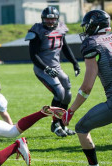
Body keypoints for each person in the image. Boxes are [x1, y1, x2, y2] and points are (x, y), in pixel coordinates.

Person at [62, 10, 112, 166]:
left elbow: (87, 87)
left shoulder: (92, 43)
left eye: (88, 26)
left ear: (95, 25)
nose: (86, 29)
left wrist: (70, 111)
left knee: (81, 127)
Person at [25, 6, 80, 137]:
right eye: (47, 19)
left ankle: (62, 124)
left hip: (56, 67)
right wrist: (46, 68)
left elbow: (65, 47)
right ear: (42, 19)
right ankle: (55, 124)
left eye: (53, 19)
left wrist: (75, 63)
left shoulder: (61, 28)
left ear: (57, 19)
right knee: (59, 93)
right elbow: (34, 56)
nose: (50, 22)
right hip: (42, 68)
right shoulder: (37, 31)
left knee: (67, 93)